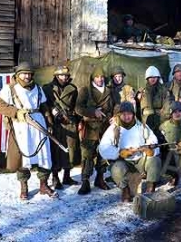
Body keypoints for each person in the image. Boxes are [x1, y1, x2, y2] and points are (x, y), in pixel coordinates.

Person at [0, 62, 58, 200]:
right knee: (23, 157)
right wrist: (16, 112)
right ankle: (24, 187)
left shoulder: (38, 89)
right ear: (18, 74)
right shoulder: (10, 89)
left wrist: (50, 123)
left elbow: (44, 107)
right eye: (24, 73)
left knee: (43, 154)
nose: (27, 76)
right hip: (21, 126)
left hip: (39, 124)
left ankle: (43, 185)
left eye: (29, 74)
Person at [99, 101, 161, 202]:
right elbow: (103, 148)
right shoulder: (114, 129)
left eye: (129, 114)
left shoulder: (142, 127)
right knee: (116, 168)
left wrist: (150, 150)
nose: (127, 117)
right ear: (119, 115)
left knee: (155, 161)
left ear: (133, 114)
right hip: (124, 162)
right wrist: (119, 152)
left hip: (141, 160)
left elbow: (153, 140)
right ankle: (125, 190)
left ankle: (151, 187)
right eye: (124, 114)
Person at [75, 66, 114, 195]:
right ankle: (85, 181)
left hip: (104, 128)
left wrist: (115, 116)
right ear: (93, 78)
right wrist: (93, 112)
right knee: (87, 155)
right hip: (90, 128)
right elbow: (78, 109)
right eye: (97, 77)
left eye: (102, 77)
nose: (100, 79)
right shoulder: (86, 91)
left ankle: (100, 178)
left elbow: (115, 106)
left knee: (103, 154)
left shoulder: (109, 91)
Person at [42, 65, 79, 190]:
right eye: (62, 75)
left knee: (70, 150)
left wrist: (73, 118)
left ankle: (67, 176)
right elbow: (43, 105)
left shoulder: (73, 89)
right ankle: (55, 177)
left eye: (66, 75)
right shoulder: (47, 88)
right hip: (55, 124)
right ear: (56, 76)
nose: (64, 77)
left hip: (69, 122)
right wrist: (51, 113)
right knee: (55, 150)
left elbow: (76, 106)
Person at [139, 66, 167, 135]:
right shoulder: (143, 91)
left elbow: (167, 104)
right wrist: (138, 100)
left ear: (158, 78)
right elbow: (139, 109)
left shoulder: (164, 90)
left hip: (160, 120)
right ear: (147, 78)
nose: (153, 79)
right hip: (147, 121)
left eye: (155, 77)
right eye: (150, 77)